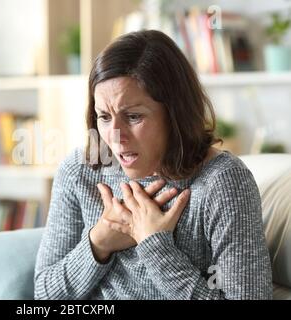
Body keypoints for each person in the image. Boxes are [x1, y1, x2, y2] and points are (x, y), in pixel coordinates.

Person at [34, 30, 272, 300]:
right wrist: (99, 242)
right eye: (104, 116)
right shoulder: (80, 171)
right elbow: (44, 295)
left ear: (175, 114)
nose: (115, 136)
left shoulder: (223, 182)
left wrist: (155, 246)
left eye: (133, 116)